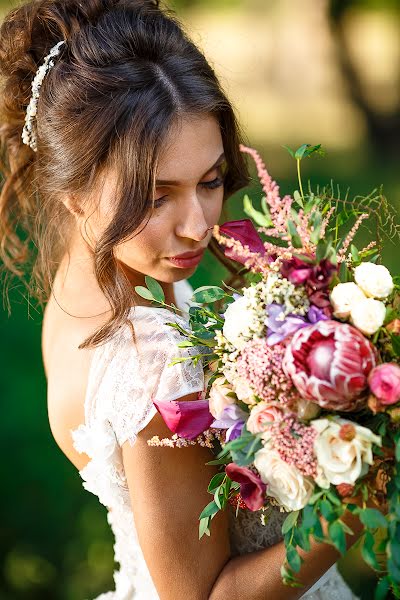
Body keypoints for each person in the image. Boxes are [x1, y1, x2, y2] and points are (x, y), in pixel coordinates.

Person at [0, 1, 376, 598]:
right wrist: (365, 492)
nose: (197, 225)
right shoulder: (149, 358)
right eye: (155, 197)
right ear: (74, 192)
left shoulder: (88, 283)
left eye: (210, 180)